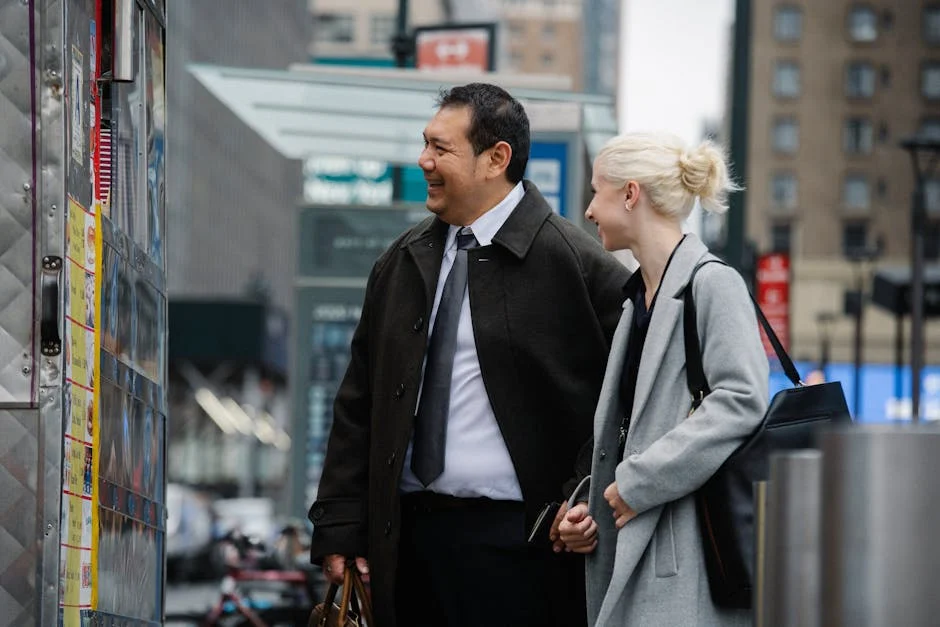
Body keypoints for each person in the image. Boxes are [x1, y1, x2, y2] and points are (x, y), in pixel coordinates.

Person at [307, 83, 631, 627]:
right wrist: (341, 527)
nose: (423, 160)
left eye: (441, 148)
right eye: (424, 143)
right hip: (406, 545)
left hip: (525, 553)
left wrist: (582, 494)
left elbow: (632, 395)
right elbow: (359, 404)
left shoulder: (576, 264)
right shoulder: (402, 262)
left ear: (495, 159)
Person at [558, 132, 769, 626]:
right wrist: (587, 506)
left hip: (686, 550)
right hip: (637, 542)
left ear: (630, 194)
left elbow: (742, 398)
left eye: (597, 192)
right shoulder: (638, 301)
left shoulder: (711, 282)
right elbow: (629, 429)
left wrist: (637, 483)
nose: (589, 210)